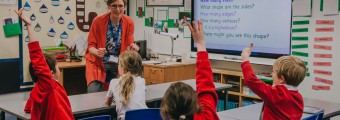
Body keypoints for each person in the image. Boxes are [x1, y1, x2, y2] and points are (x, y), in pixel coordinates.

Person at [16, 8, 74, 120]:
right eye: (58, 68)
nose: (60, 71)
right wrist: (29, 26)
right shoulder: (48, 85)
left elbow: (28, 108)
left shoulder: (38, 88)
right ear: (50, 73)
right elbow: (36, 55)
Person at [160, 20, 219, 120]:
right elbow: (206, 89)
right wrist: (200, 44)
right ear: (196, 105)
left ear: (165, 111)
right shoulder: (207, 117)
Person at [240, 43, 306, 119]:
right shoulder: (299, 98)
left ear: (281, 79)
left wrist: (245, 59)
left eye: (274, 71)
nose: (272, 74)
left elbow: (250, 80)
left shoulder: (276, 94)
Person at [86, 0, 139, 93]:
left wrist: (132, 49)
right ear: (108, 6)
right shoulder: (98, 21)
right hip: (98, 62)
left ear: (125, 7)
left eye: (120, 6)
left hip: (118, 64)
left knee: (123, 92)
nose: (117, 9)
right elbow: (91, 46)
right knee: (93, 92)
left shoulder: (129, 22)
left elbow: (128, 46)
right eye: (114, 6)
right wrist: (97, 52)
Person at [105, 50, 147, 120]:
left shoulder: (114, 82)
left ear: (123, 68)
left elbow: (107, 103)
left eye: (118, 64)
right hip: (145, 117)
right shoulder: (141, 81)